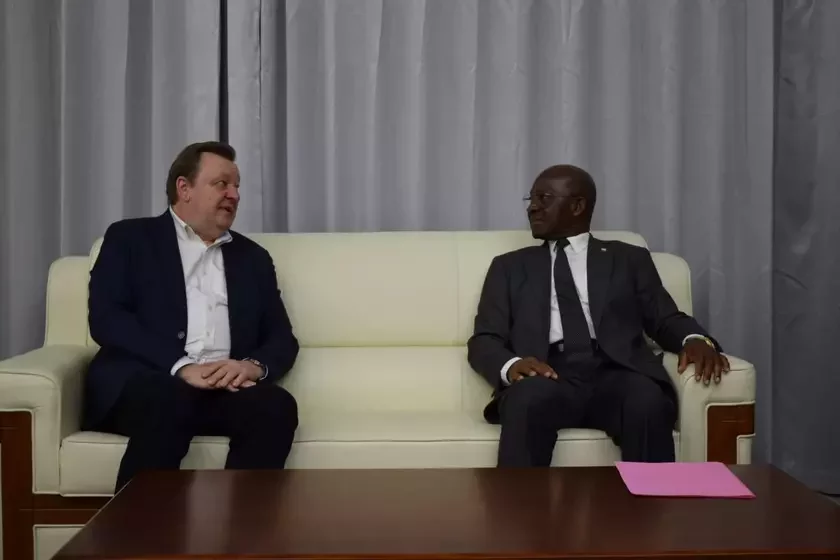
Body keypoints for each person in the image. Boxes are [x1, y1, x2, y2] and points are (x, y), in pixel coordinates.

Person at [467, 165, 729, 467]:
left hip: (615, 371)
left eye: (544, 198)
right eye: (532, 199)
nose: (532, 207)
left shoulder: (628, 259)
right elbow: (485, 339)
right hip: (546, 373)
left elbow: (664, 318)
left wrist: (694, 339)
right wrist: (512, 365)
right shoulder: (509, 267)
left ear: (578, 205)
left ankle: (653, 498)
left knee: (647, 399)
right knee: (526, 399)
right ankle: (519, 500)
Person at [85, 141, 299, 491]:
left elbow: (281, 338)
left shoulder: (253, 258)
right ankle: (138, 525)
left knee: (276, 406)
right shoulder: (130, 239)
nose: (234, 195)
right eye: (222, 184)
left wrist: (250, 366)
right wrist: (181, 367)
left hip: (222, 390)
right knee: (170, 398)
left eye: (237, 186)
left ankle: (244, 525)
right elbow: (107, 319)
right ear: (184, 188)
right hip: (148, 383)